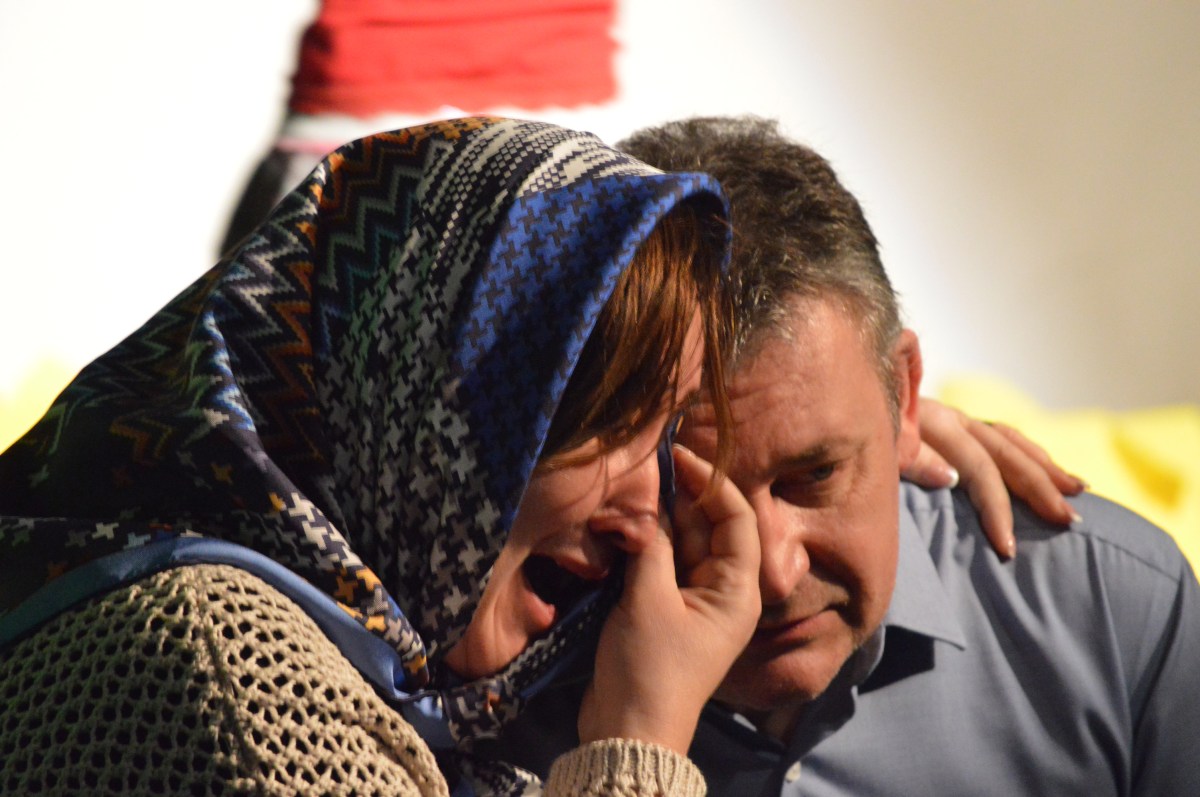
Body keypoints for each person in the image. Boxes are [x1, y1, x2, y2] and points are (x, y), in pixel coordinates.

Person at [0, 117, 763, 796]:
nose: (645, 512)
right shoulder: (238, 671)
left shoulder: (411, 699)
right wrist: (641, 735)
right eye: (609, 422)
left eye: (662, 437)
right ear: (415, 393)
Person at [491, 116, 1200, 795]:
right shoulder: (494, 670)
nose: (774, 572)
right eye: (692, 502)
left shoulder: (1116, 612)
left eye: (815, 475)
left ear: (905, 393)